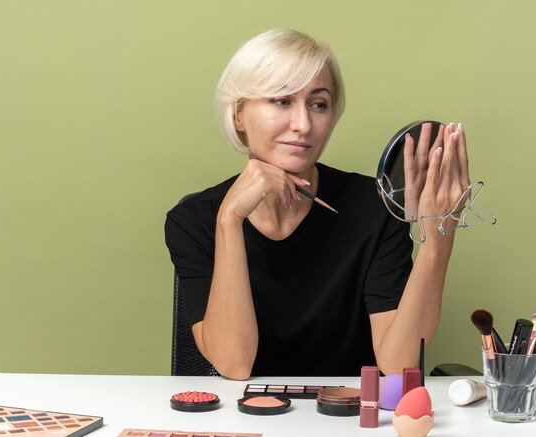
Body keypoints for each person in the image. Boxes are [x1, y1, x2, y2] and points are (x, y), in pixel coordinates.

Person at [165, 28, 470, 380]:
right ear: (238, 115)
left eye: (318, 104)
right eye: (282, 100)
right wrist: (230, 220)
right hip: (246, 416)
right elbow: (234, 365)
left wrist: (438, 240)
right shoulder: (192, 220)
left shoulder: (375, 208)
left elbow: (397, 366)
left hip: (347, 413)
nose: (303, 125)